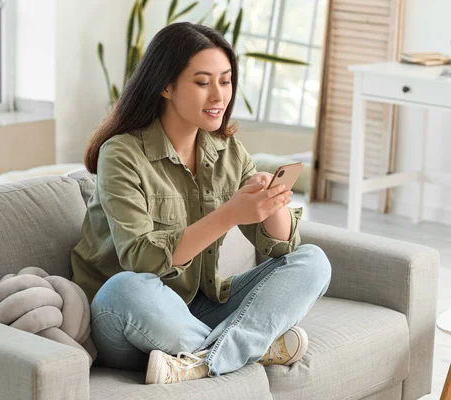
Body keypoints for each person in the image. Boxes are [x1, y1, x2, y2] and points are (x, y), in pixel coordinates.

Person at [71, 22, 331, 385]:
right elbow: (141, 259)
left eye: (225, 81)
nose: (218, 96)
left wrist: (272, 204)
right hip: (129, 315)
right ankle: (246, 350)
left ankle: (203, 360)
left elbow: (280, 248)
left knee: (313, 261)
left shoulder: (227, 150)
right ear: (166, 85)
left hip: (196, 308)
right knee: (125, 286)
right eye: (202, 82)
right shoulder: (122, 154)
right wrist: (230, 214)